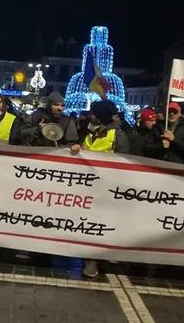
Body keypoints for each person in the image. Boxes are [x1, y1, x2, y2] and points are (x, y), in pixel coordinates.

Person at [73, 100, 129, 278]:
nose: (90, 116)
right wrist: (77, 149)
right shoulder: (90, 133)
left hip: (106, 189)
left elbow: (125, 164)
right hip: (89, 187)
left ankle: (94, 260)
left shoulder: (117, 135)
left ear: (102, 116)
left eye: (94, 114)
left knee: (98, 225)